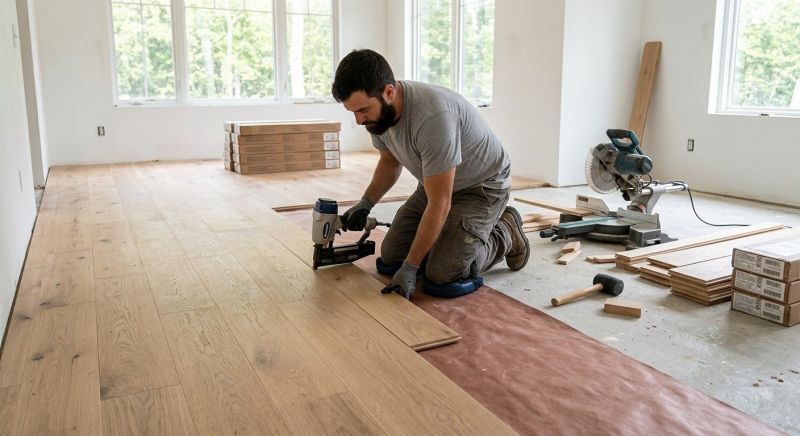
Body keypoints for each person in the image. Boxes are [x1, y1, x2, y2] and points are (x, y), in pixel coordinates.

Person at [331, 49, 530, 299]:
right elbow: (389, 162)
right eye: (353, 113)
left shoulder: (434, 117)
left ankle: (506, 231)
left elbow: (440, 203)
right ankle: (450, 238)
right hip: (435, 183)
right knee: (391, 260)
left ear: (389, 92)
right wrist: (366, 202)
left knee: (444, 275)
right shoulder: (378, 115)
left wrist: (412, 267)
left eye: (363, 110)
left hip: (482, 188)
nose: (359, 120)